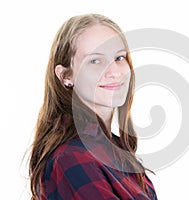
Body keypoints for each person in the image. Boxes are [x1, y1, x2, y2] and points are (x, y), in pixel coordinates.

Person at [29, 13, 158, 200]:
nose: (114, 72)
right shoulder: (71, 158)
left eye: (119, 58)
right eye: (95, 61)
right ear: (66, 76)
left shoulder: (115, 150)